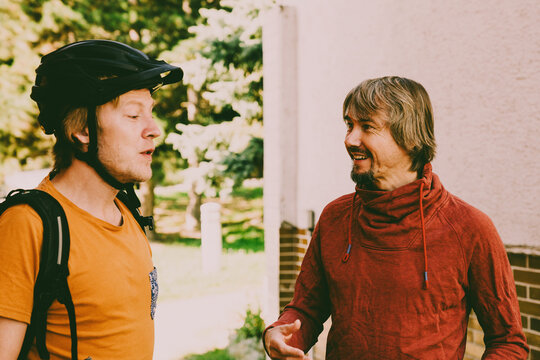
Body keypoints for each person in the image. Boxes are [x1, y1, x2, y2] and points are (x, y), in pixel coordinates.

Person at [263, 76, 529, 359]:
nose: (350, 139)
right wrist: (279, 333)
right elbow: (307, 309)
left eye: (367, 126)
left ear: (410, 136)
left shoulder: (470, 228)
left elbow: (508, 342)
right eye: (349, 125)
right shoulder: (335, 218)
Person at [0, 40, 183, 359]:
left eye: (150, 113)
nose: (154, 130)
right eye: (133, 115)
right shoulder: (28, 225)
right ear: (83, 130)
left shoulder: (127, 212)